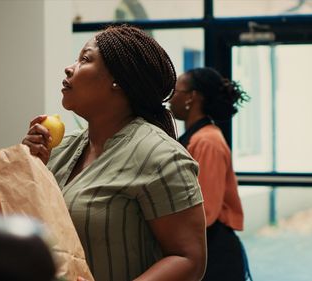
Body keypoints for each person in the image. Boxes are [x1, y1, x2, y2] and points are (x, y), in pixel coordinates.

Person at [22, 25, 207, 281]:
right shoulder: (61, 148)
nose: (69, 68)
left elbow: (189, 259)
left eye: (85, 59)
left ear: (118, 81)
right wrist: (30, 168)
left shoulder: (159, 155)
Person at [169, 67, 251, 281]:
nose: (170, 99)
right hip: (203, 245)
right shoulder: (196, 137)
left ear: (192, 97)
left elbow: (205, 211)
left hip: (215, 252)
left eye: (175, 91)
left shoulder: (207, 141)